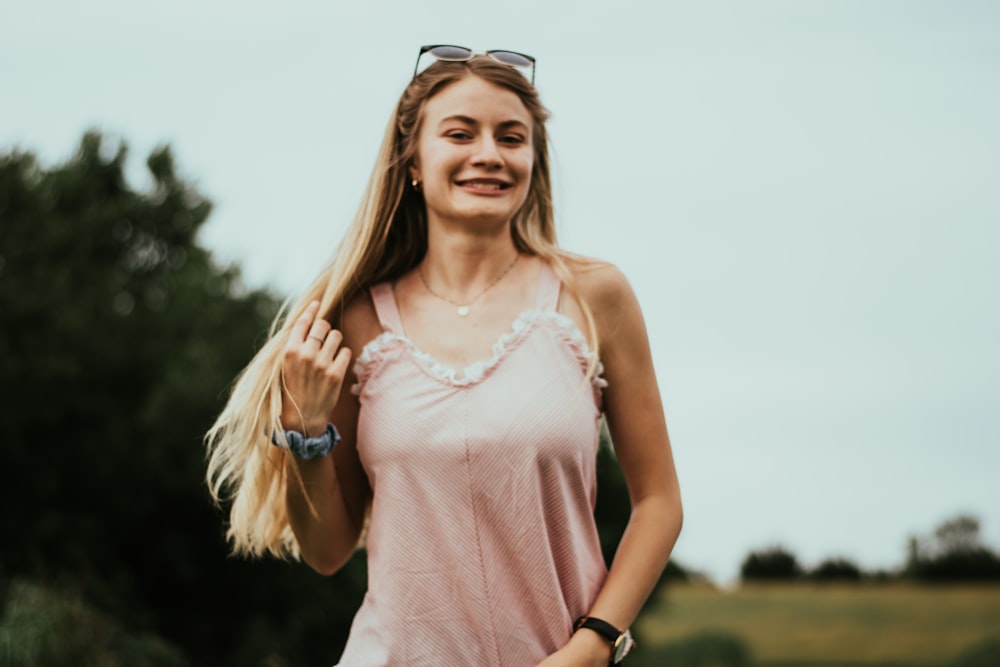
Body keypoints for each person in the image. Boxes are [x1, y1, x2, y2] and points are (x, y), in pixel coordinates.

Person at [205, 45, 683, 667]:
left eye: (511, 137)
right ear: (412, 162)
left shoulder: (595, 297)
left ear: (533, 161)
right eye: (461, 133)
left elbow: (660, 503)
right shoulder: (352, 320)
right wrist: (304, 430)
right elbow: (327, 550)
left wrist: (594, 644)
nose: (489, 153)